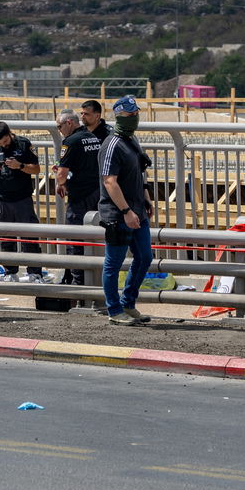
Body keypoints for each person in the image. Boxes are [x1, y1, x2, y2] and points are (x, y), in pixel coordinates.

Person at [97, 96, 154, 326]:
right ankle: (114, 309)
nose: (134, 118)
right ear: (119, 116)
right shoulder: (111, 144)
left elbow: (139, 172)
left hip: (137, 209)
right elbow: (110, 181)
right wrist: (126, 211)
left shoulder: (131, 140)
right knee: (114, 262)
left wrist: (146, 199)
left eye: (135, 114)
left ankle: (128, 302)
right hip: (118, 213)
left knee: (145, 257)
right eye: (130, 115)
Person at [0, 120, 45, 281]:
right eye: (0, 143)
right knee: (5, 238)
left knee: (29, 236)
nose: (3, 145)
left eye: (5, 141)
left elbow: (37, 169)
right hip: (2, 199)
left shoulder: (23, 144)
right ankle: (10, 272)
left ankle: (34, 272)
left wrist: (20, 166)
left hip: (23, 198)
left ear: (10, 134)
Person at [54, 108, 101, 288]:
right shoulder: (93, 137)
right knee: (95, 239)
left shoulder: (70, 141)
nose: (59, 130)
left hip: (79, 197)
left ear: (69, 123)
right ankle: (94, 280)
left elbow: (62, 173)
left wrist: (61, 183)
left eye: (59, 126)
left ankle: (79, 285)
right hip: (96, 194)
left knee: (74, 240)